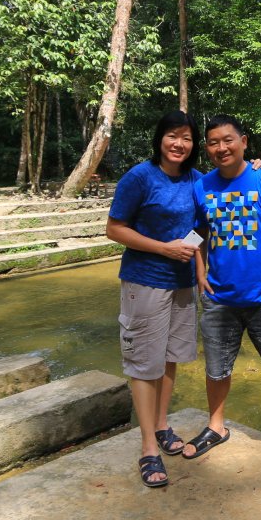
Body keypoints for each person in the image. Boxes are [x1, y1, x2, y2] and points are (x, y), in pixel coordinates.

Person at [183, 114, 261, 469]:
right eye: (213, 142)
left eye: (228, 140)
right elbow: (197, 233)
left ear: (244, 141)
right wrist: (199, 271)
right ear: (207, 148)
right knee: (216, 368)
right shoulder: (203, 186)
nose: (220, 148)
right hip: (219, 298)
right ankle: (215, 427)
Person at [105, 110, 205, 488]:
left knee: (169, 358)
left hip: (182, 285)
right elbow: (114, 229)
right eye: (172, 136)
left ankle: (162, 425)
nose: (179, 144)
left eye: (187, 138)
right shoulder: (140, 177)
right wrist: (164, 249)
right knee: (144, 364)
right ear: (160, 139)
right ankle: (149, 447)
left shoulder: (197, 179)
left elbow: (201, 226)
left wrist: (257, 164)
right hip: (144, 282)